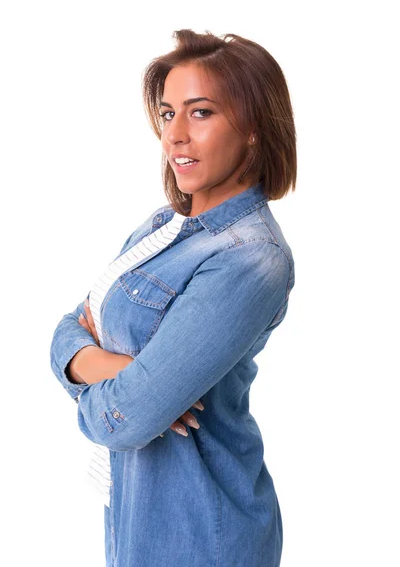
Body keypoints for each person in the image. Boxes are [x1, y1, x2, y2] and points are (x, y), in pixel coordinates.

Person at [50, 28, 296, 567]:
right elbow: (68, 328)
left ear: (253, 127)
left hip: (203, 534)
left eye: (201, 112)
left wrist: (124, 391)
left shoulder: (250, 258)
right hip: (133, 519)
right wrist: (115, 370)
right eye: (167, 114)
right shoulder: (161, 228)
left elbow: (129, 419)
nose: (175, 135)